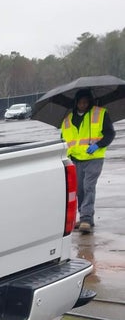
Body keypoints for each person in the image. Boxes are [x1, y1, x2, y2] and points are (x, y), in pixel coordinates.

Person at [61, 88, 116, 233]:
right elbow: (63, 139)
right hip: (75, 159)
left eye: (86, 102)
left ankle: (85, 218)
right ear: (76, 103)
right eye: (80, 102)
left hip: (94, 157)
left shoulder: (100, 114)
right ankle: (86, 217)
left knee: (88, 186)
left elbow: (110, 133)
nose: (83, 105)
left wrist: (98, 145)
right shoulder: (67, 120)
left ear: (90, 101)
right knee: (79, 189)